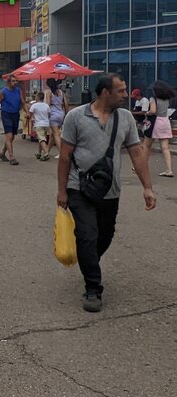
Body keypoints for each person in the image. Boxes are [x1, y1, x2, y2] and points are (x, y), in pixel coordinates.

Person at [57, 74, 156, 313]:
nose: (125, 94)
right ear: (105, 93)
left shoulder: (125, 118)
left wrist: (147, 187)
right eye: (121, 91)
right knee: (87, 235)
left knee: (105, 235)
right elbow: (65, 157)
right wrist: (61, 191)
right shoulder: (76, 116)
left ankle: (88, 260)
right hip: (78, 186)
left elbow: (136, 153)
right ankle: (93, 288)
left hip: (109, 190)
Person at [143, 80, 174, 177]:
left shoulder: (153, 99)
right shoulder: (167, 99)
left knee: (146, 145)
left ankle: (141, 166)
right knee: (165, 147)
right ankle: (169, 170)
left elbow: (153, 111)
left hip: (155, 123)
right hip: (165, 122)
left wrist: (147, 113)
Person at [0, 75, 27, 165]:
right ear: (8, 82)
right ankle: (12, 157)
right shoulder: (3, 92)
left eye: (16, 81)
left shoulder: (18, 91)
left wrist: (27, 112)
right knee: (9, 135)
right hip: (6, 114)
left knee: (12, 136)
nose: (15, 83)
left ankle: (2, 153)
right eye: (13, 81)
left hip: (15, 114)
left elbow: (23, 102)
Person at [46, 77, 69, 159]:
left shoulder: (49, 92)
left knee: (56, 134)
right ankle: (47, 151)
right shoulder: (61, 92)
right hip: (61, 114)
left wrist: (47, 115)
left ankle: (62, 153)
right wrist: (66, 114)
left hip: (53, 115)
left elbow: (48, 105)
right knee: (53, 135)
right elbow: (66, 104)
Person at [29, 90, 51, 160]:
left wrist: (29, 118)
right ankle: (39, 153)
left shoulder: (34, 105)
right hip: (46, 124)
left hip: (39, 124)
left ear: (38, 97)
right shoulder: (46, 105)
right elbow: (49, 114)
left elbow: (30, 114)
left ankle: (46, 153)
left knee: (41, 139)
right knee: (42, 138)